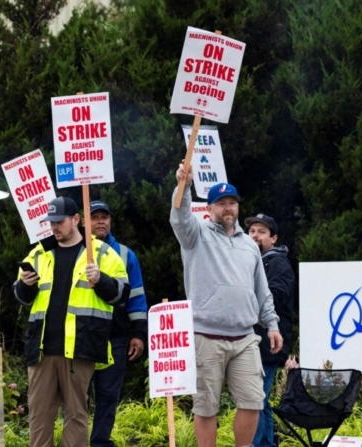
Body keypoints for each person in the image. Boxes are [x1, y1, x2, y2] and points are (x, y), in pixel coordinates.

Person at [170, 166, 283, 447]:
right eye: (221, 203)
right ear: (209, 209)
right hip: (206, 336)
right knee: (206, 407)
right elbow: (180, 217)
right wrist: (183, 186)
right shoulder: (195, 235)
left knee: (254, 401)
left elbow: (261, 289)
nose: (227, 208)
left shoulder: (249, 245)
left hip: (245, 337)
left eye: (232, 203)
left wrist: (272, 324)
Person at [12, 196, 130, 447]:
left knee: (76, 416)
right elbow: (20, 297)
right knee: (39, 418)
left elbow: (122, 294)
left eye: (59, 221)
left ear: (76, 220)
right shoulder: (38, 252)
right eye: (50, 222)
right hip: (42, 350)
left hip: (79, 348)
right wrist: (24, 285)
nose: (54, 227)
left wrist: (102, 280)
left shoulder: (102, 253)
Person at [87, 200, 148, 447]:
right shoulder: (74, 251)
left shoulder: (125, 254)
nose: (101, 221)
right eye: (95, 217)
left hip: (115, 337)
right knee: (77, 397)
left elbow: (137, 297)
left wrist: (139, 334)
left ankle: (100, 443)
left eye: (105, 216)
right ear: (83, 221)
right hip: (80, 337)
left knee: (108, 395)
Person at [244, 213, 295, 447]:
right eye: (252, 231)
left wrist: (244, 297)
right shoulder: (249, 261)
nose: (255, 236)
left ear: (273, 238)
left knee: (255, 400)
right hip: (253, 342)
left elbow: (275, 297)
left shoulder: (277, 263)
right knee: (259, 401)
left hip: (268, 345)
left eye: (261, 232)